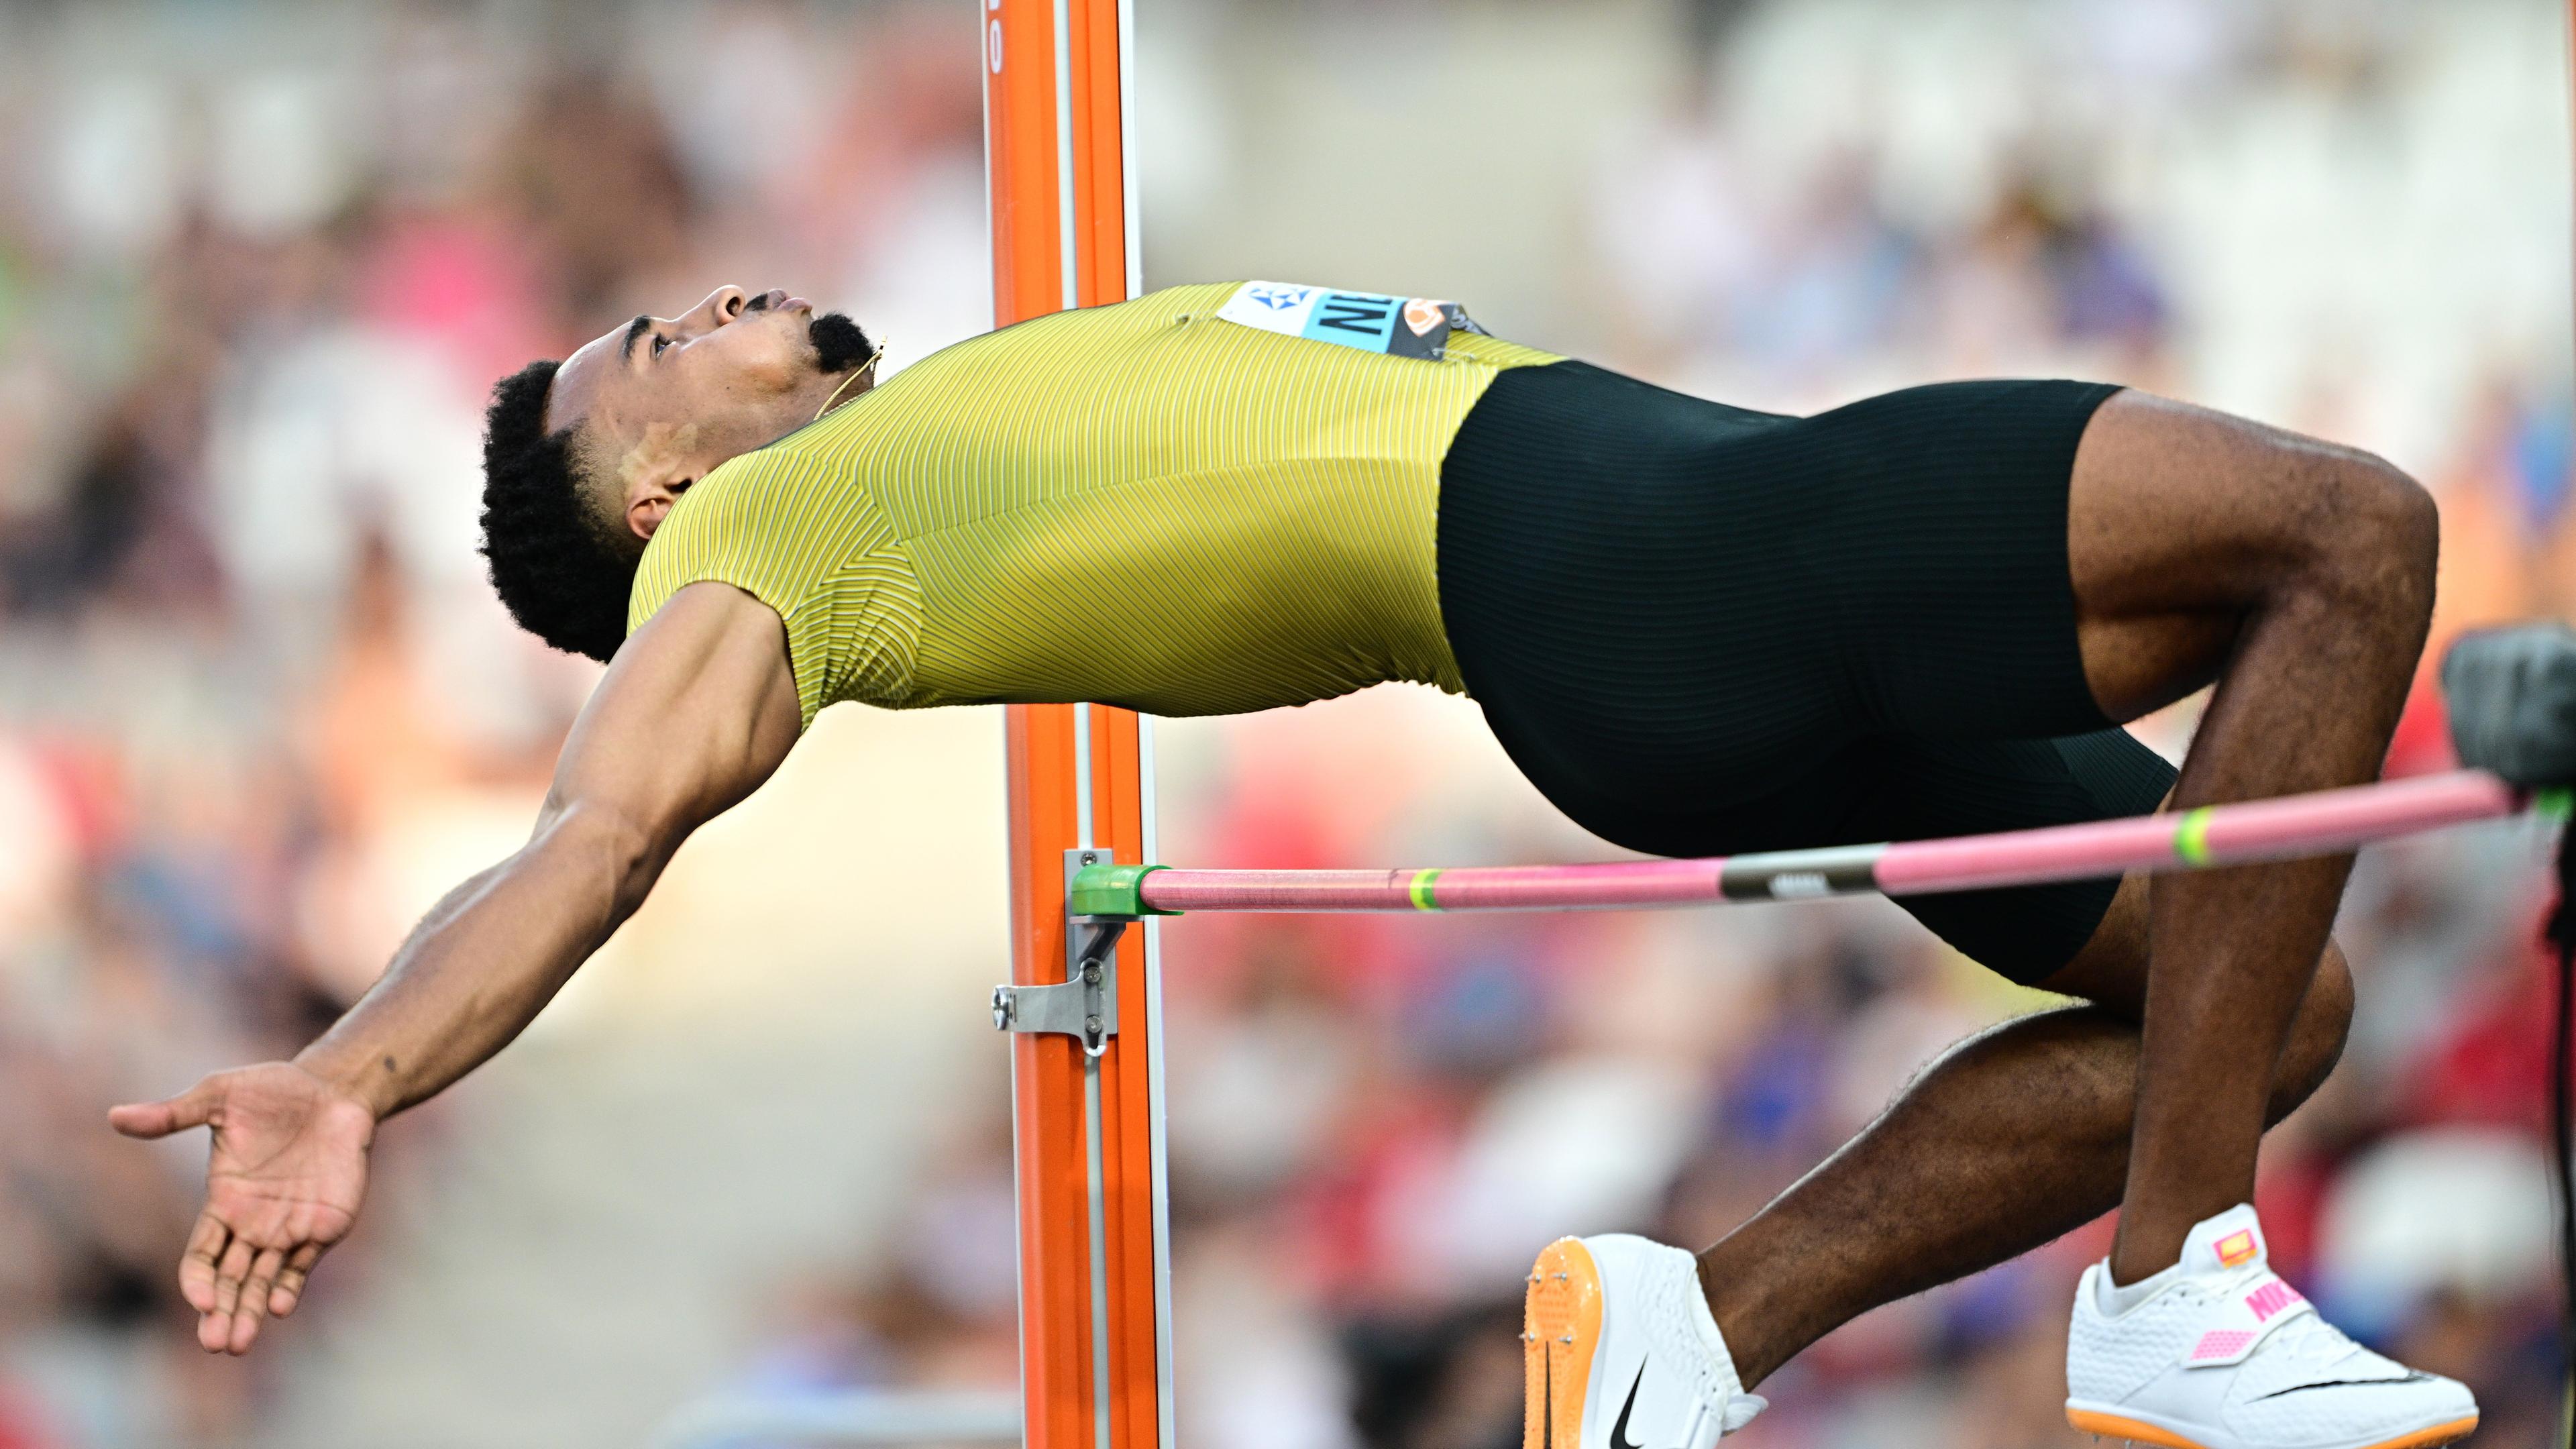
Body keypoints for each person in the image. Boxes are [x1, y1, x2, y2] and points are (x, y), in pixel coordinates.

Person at [111, 280, 2473, 1449]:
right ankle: (2177, 1286)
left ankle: (1693, 1336)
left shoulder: (918, 438)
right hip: (1625, 553)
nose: (716, 306)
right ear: (644, 488)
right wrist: (354, 1068)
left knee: (2266, 1004)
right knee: (2341, 534)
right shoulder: (754, 547)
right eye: (649, 346)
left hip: (1652, 561)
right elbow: (594, 836)